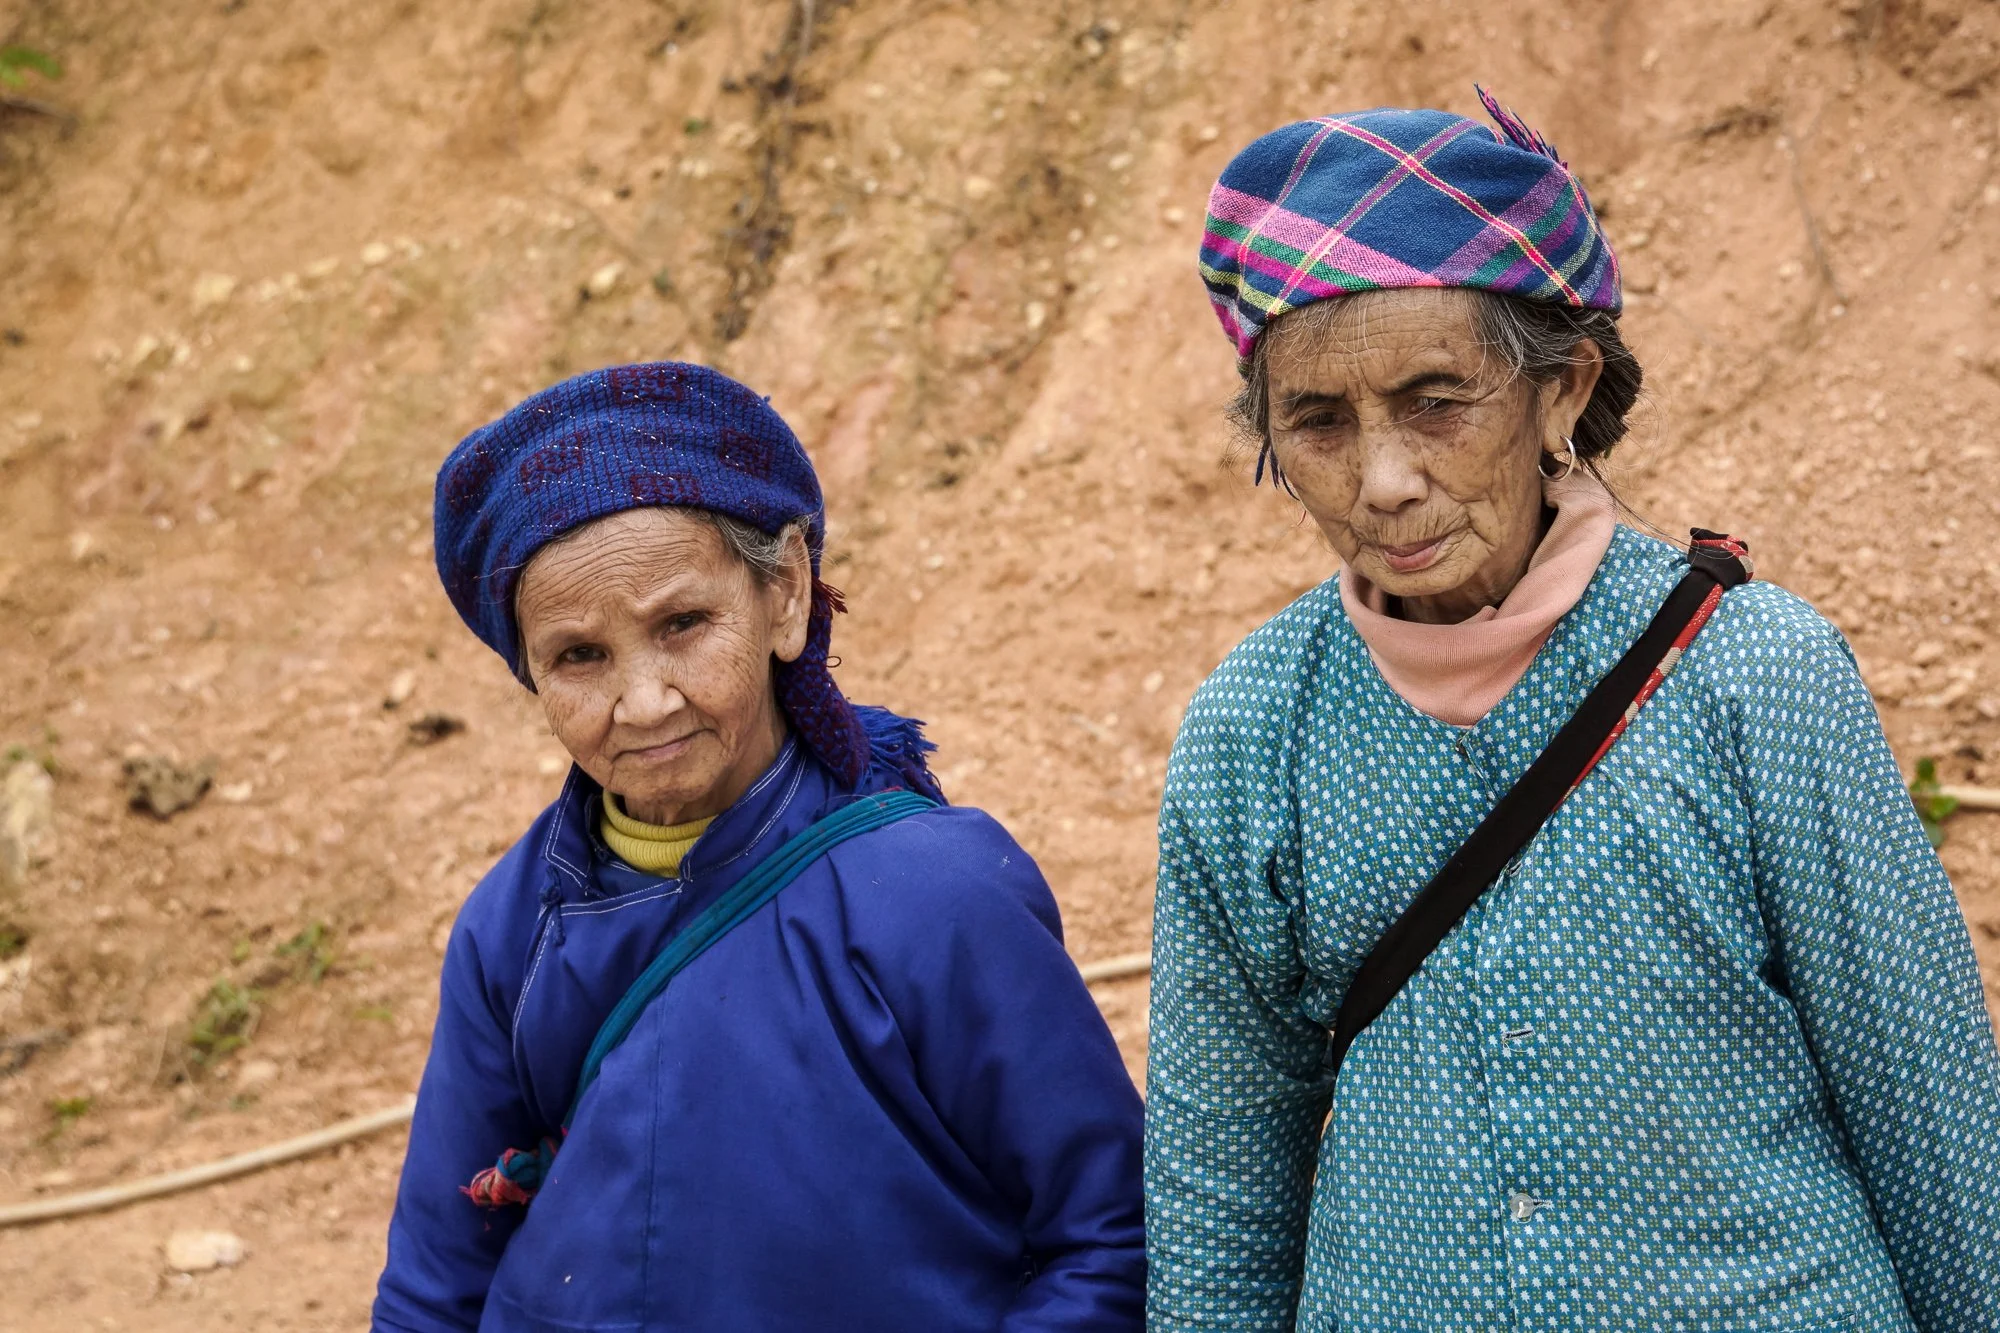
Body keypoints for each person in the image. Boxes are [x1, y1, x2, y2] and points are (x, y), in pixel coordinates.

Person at [1145, 92, 2000, 1331]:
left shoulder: (1750, 673)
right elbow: (1218, 1175)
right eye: (1317, 422)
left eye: (1437, 401)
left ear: (1560, 390)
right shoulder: (1251, 730)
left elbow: (1925, 1109)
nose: (1383, 482)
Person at [373, 362, 1145, 1332]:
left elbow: (1107, 1237)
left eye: (683, 625)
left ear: (784, 594)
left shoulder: (935, 898)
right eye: (579, 656)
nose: (643, 700)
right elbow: (437, 1280)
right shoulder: (512, 928)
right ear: (528, 669)